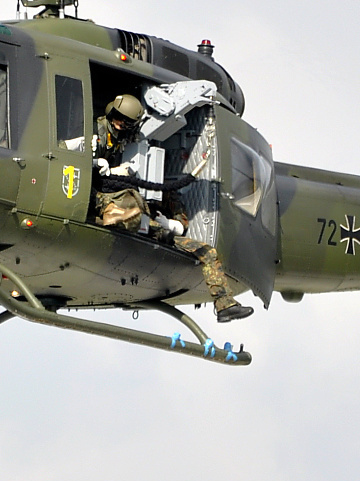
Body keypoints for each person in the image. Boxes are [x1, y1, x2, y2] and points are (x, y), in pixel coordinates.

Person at [92, 93, 253, 323]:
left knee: (207, 252)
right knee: (133, 218)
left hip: (153, 231)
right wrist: (98, 165)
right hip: (115, 212)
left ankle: (225, 305)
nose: (120, 124)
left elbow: (179, 213)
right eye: (118, 119)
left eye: (126, 122)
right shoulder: (97, 133)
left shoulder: (159, 184)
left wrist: (173, 224)